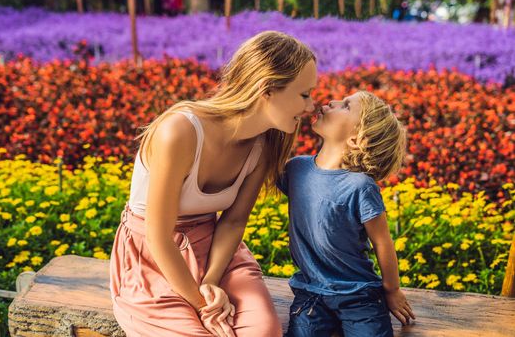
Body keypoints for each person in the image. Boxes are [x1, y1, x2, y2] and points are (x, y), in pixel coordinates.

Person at [109, 30, 317, 337]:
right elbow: (158, 237)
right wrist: (203, 303)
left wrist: (210, 280)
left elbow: (233, 222)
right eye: (304, 94)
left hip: (216, 252)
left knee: (263, 332)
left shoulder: (263, 147)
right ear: (268, 89)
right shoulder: (179, 131)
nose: (311, 106)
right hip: (152, 259)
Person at [277, 91, 415, 337]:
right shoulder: (296, 169)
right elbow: (261, 164)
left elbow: (383, 242)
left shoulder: (360, 186)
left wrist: (392, 290)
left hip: (359, 294)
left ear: (356, 140)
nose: (332, 102)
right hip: (311, 292)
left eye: (346, 106)